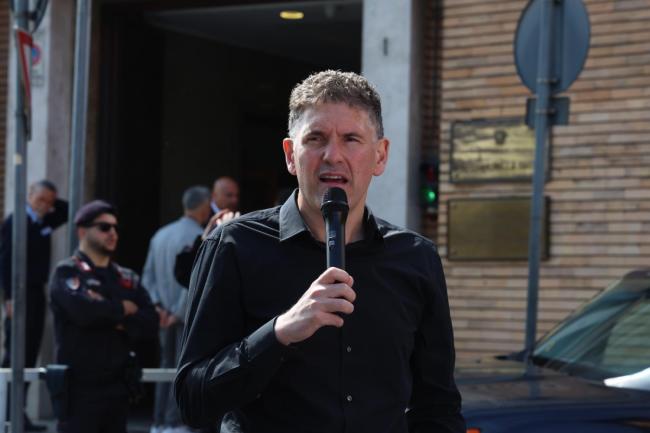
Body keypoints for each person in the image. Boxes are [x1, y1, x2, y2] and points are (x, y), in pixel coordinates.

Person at [175, 70, 465, 433]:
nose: (333, 155)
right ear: (290, 155)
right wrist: (279, 332)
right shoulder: (233, 246)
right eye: (316, 138)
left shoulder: (416, 258)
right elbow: (191, 400)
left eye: (351, 139)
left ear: (380, 155)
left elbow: (438, 405)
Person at [49, 200, 158, 433]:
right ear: (82, 231)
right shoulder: (67, 271)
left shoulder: (126, 277)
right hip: (79, 391)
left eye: (115, 228)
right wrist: (123, 309)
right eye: (104, 227)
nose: (112, 233)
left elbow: (150, 322)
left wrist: (107, 312)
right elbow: (84, 313)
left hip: (118, 388)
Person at [142, 186, 212, 433]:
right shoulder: (199, 236)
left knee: (164, 366)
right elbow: (191, 280)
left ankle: (159, 420)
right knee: (181, 368)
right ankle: (174, 422)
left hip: (163, 315)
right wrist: (177, 313)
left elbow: (148, 277)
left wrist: (158, 308)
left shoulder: (160, 235)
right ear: (205, 207)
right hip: (184, 316)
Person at [0, 179, 68, 432]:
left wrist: (51, 202)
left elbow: (67, 210)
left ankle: (17, 411)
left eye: (49, 202)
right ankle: (6, 411)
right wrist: (9, 297)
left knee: (30, 353)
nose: (44, 206)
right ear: (29, 196)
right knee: (15, 353)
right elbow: (4, 261)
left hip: (37, 293)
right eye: (40, 200)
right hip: (19, 294)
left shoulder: (44, 221)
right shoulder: (16, 221)